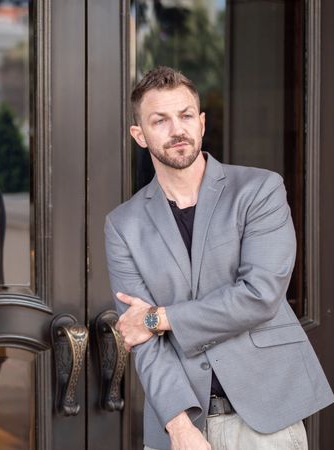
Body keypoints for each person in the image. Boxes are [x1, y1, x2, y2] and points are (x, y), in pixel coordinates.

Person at [104, 66, 333, 450]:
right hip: (182, 425)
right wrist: (179, 428)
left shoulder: (259, 190)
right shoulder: (123, 224)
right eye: (160, 120)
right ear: (139, 135)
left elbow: (259, 296)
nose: (177, 129)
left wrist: (158, 317)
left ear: (202, 122)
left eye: (186, 115)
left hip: (265, 419)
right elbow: (141, 338)